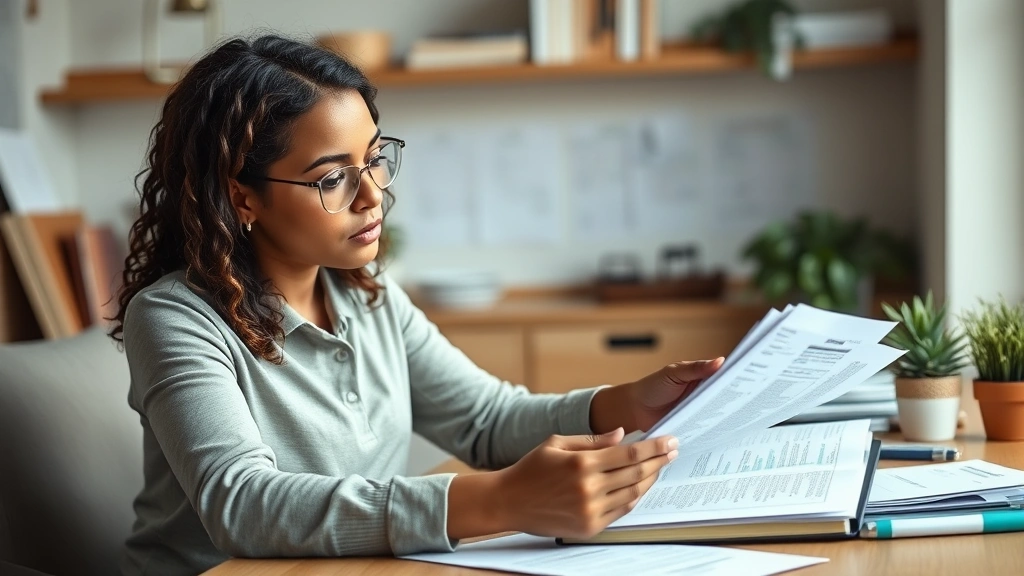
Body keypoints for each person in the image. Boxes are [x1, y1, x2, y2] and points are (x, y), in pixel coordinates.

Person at [110, 34, 724, 576]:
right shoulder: (175, 319)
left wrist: (628, 402)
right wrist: (499, 501)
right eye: (332, 179)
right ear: (241, 197)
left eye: (374, 158)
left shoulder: (367, 293)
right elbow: (243, 506)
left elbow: (485, 421)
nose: (373, 195)